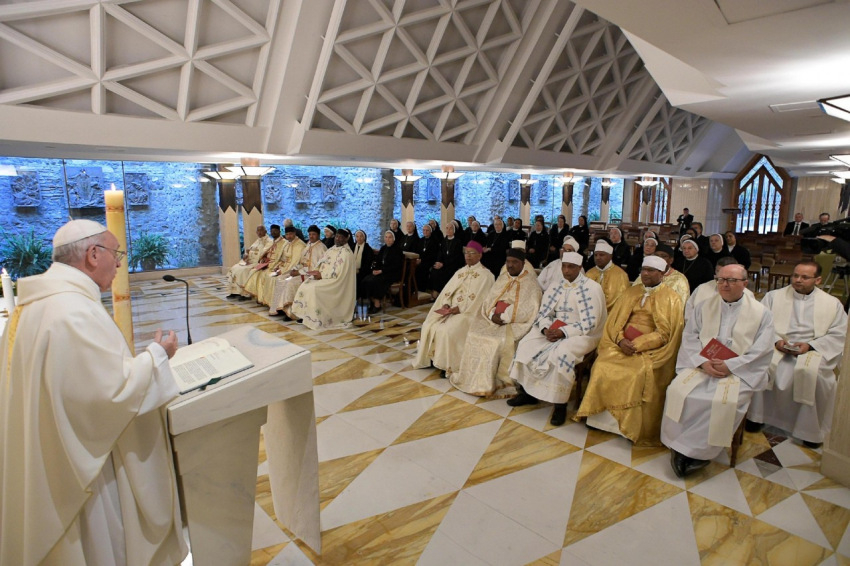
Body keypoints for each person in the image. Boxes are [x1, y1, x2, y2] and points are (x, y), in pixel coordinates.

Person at [0, 220, 187, 565]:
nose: (119, 264)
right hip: (84, 468)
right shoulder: (72, 311)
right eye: (116, 254)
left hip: (51, 453)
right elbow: (109, 394)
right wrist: (158, 356)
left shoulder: (37, 305)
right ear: (93, 255)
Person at [661, 264, 775, 477]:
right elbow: (690, 337)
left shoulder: (762, 314)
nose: (724, 285)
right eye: (721, 280)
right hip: (703, 365)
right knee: (678, 390)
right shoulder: (704, 306)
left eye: (732, 280)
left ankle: (696, 452)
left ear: (745, 283)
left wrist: (730, 365)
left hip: (739, 371)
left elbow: (762, 350)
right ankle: (680, 446)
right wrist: (702, 362)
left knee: (721, 401)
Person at [575, 255, 685, 445]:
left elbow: (666, 334)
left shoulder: (671, 298)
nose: (645, 274)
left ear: (661, 274)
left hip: (649, 350)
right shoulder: (631, 292)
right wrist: (620, 340)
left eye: (651, 271)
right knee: (601, 364)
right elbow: (615, 322)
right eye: (644, 270)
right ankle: (598, 419)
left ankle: (627, 427)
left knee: (636, 373)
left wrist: (638, 345)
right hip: (622, 344)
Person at [747, 262, 846, 448]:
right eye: (795, 275)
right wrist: (777, 341)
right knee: (761, 366)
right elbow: (759, 324)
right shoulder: (773, 297)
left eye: (804, 277)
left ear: (818, 280)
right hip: (777, 345)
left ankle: (809, 431)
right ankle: (756, 417)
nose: (798, 280)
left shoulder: (832, 304)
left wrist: (810, 345)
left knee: (815, 375)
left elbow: (839, 333)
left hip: (813, 348)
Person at [509, 252, 607, 426]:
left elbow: (591, 323)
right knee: (526, 344)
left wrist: (563, 332)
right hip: (553, 329)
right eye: (564, 266)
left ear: (580, 268)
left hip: (582, 334)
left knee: (561, 354)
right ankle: (527, 393)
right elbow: (544, 313)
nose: (566, 270)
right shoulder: (556, 286)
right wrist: (546, 328)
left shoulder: (592, 288)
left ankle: (560, 405)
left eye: (571, 267)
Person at [450, 246, 542, 397]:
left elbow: (529, 310)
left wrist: (504, 316)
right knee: (474, 334)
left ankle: (496, 382)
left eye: (515, 262)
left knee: (495, 342)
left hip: (515, 324)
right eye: (508, 261)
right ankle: (471, 379)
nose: (510, 265)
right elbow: (489, 300)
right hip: (493, 319)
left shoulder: (531, 283)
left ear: (523, 263)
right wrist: (492, 314)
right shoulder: (503, 278)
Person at [412, 241, 495, 375]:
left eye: (472, 253)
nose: (468, 256)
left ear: (480, 255)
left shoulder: (487, 276)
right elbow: (447, 291)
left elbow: (482, 300)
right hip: (450, 310)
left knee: (448, 330)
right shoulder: (460, 272)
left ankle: (447, 365)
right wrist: (446, 304)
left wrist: (460, 309)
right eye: (466, 253)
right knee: (429, 324)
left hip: (469, 314)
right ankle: (432, 358)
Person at [291, 229, 357, 329]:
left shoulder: (347, 254)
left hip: (337, 282)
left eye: (341, 237)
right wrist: (316, 271)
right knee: (305, 284)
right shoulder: (331, 249)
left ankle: (317, 318)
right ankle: (306, 315)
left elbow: (339, 273)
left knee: (314, 289)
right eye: (337, 236)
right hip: (324, 277)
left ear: (346, 239)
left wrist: (322, 275)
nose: (338, 239)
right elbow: (321, 262)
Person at [268, 225, 327, 317]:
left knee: (290, 283)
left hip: (311, 276)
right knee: (281, 279)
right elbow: (301, 262)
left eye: (314, 234)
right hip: (301, 272)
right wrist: (294, 269)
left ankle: (291, 312)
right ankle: (278, 308)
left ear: (319, 235)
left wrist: (299, 272)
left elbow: (314, 268)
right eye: (310, 234)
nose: (311, 236)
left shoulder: (321, 248)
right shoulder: (308, 245)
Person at [248, 225, 304, 306]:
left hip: (292, 270)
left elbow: (294, 263)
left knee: (275, 279)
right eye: (287, 234)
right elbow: (281, 258)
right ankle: (268, 302)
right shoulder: (287, 243)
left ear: (294, 233)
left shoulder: (300, 245)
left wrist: (282, 271)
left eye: (291, 234)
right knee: (268, 276)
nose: (289, 236)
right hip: (283, 267)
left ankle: (278, 305)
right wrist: (277, 267)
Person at [684, 257, 751, 322]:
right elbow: (689, 311)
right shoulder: (701, 288)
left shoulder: (747, 295)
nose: (720, 275)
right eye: (718, 271)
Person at [360, 230, 404, 314]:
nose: (388, 239)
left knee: (376, 281)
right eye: (386, 237)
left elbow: (396, 265)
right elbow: (378, 261)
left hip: (392, 273)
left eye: (390, 237)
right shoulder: (383, 248)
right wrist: (375, 270)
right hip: (381, 272)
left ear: (393, 239)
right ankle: (371, 301)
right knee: (366, 280)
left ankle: (377, 304)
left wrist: (382, 271)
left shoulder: (397, 249)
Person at [226, 225, 271, 297]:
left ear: (265, 231)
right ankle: (234, 291)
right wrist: (246, 255)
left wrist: (254, 257)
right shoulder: (257, 240)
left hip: (257, 263)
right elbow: (249, 250)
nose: (259, 232)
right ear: (256, 232)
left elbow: (264, 253)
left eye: (261, 230)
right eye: (258, 231)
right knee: (235, 268)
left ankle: (246, 293)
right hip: (249, 261)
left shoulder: (269, 241)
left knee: (243, 271)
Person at [241, 224, 284, 299]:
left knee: (258, 274)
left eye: (275, 231)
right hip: (268, 263)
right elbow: (267, 254)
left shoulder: (283, 243)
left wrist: (269, 263)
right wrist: (264, 259)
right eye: (272, 231)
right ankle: (256, 295)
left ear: (279, 231)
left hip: (275, 265)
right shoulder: (273, 242)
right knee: (254, 272)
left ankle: (261, 297)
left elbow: (280, 258)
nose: (273, 233)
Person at [585, 239, 629, 311]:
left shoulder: (621, 275)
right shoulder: (589, 273)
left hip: (612, 314)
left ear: (610, 256)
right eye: (595, 255)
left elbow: (622, 302)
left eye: (601, 255)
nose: (598, 258)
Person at [429, 222, 464, 296]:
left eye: (450, 228)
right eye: (447, 228)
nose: (448, 230)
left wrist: (443, 264)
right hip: (443, 264)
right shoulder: (443, 241)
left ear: (454, 230)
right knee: (434, 270)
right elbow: (440, 253)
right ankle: (436, 291)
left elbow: (457, 257)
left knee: (445, 273)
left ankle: (442, 293)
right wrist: (438, 262)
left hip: (453, 265)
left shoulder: (458, 242)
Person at [652, 243, 690, 308]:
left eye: (663, 256)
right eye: (656, 256)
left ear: (671, 260)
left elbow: (682, 306)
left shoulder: (679, 279)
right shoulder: (645, 275)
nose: (659, 259)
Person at [353, 229, 375, 298]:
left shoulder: (368, 249)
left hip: (363, 271)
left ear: (364, 237)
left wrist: (359, 270)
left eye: (361, 236)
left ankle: (356, 297)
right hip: (352, 270)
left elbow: (368, 264)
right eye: (357, 236)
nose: (359, 238)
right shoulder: (352, 247)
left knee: (356, 278)